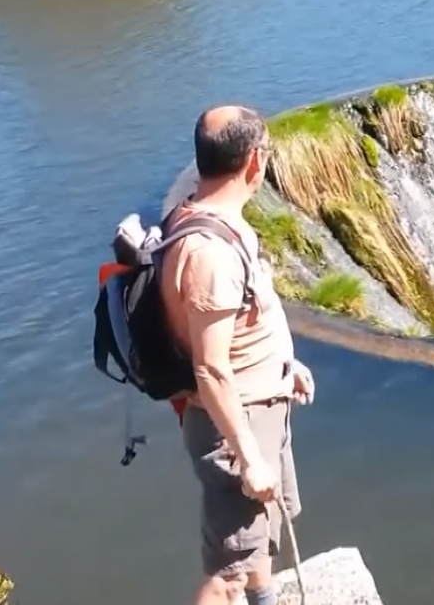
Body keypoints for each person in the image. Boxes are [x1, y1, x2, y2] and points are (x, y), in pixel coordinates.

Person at [159, 105, 315, 605]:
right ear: (253, 162)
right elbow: (210, 366)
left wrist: (285, 368)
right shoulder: (210, 254)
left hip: (261, 404)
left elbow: (245, 323)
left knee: (256, 539)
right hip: (234, 429)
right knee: (228, 568)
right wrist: (248, 458)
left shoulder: (209, 216)